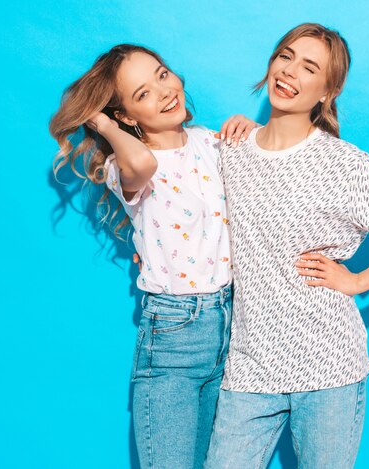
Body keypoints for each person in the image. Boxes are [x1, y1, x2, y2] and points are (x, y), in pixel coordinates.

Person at [205, 23, 369, 468]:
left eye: (309, 67)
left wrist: (358, 281)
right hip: (249, 367)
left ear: (327, 91)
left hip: (330, 367)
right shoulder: (231, 151)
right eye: (285, 56)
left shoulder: (342, 165)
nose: (290, 72)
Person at [49, 44, 256, 469]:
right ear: (125, 116)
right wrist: (103, 123)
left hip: (235, 328)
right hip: (173, 335)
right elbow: (142, 161)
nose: (164, 92)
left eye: (163, 74)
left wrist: (248, 129)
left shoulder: (209, 143)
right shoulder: (122, 167)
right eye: (142, 94)